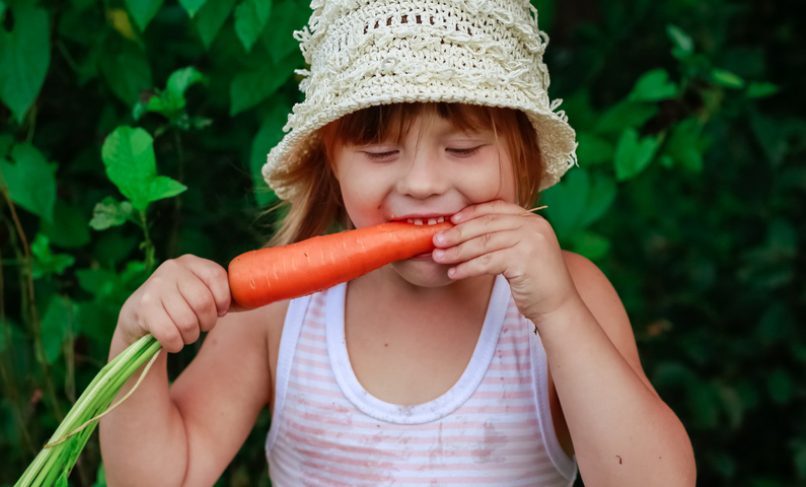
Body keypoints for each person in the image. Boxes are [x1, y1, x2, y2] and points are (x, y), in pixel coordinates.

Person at [100, 0, 696, 485]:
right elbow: (163, 477)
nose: (422, 184)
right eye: (380, 152)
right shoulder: (280, 310)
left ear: (523, 154)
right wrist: (136, 343)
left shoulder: (570, 297)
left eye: (463, 149)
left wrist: (560, 312)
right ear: (330, 162)